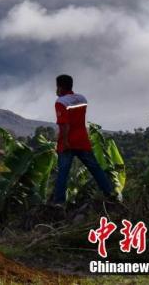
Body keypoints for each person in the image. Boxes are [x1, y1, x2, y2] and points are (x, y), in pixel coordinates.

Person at [52, 74, 117, 205]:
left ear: (60, 87)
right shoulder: (82, 98)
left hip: (68, 143)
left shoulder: (60, 102)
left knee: (63, 174)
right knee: (95, 169)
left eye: (57, 87)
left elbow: (64, 124)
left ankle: (58, 203)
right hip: (82, 140)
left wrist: (64, 141)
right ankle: (110, 193)